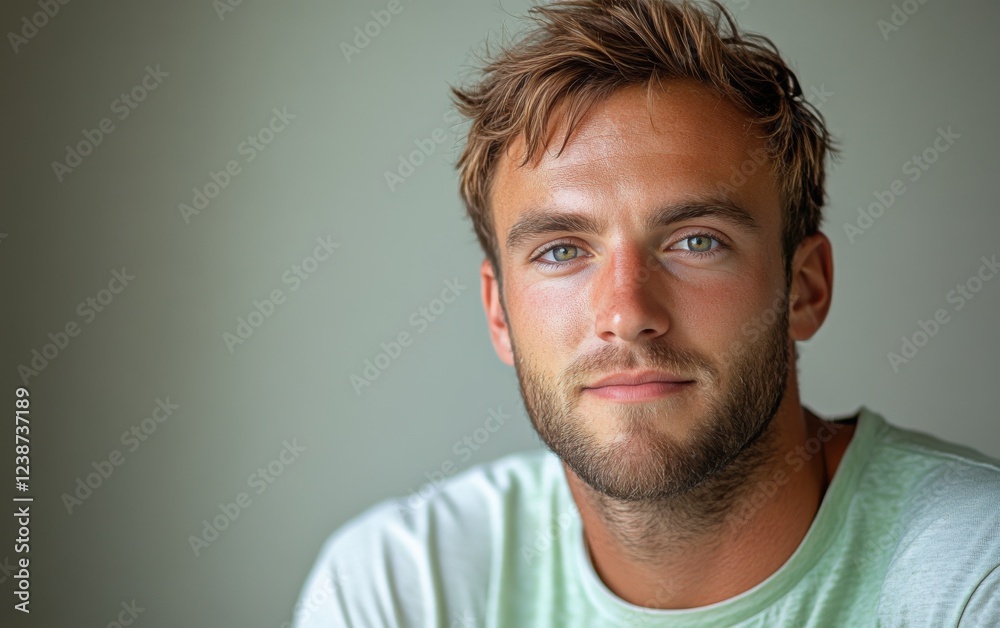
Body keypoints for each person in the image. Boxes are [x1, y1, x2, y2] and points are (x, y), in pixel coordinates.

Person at [293, 1, 1000, 625]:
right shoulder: (399, 587)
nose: (627, 314)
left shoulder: (972, 577)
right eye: (563, 250)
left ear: (805, 288)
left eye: (697, 242)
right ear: (499, 313)